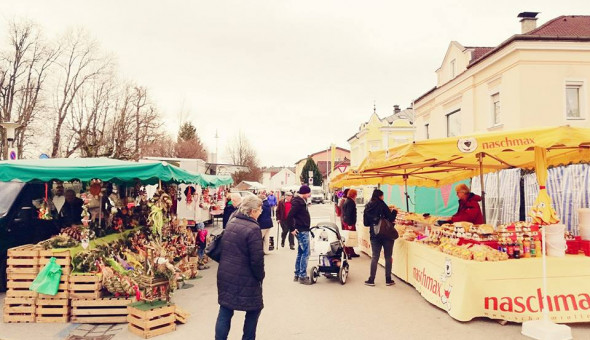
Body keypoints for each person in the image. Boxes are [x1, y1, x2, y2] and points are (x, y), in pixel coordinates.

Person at [215, 195, 265, 340]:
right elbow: (257, 260)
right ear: (252, 211)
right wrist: (260, 276)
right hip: (246, 278)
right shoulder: (253, 228)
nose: (261, 212)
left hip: (226, 274)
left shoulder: (232, 221)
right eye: (259, 209)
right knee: (254, 310)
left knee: (225, 309)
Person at [363, 189, 397, 287]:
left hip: (374, 234)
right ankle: (388, 279)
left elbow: (366, 223)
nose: (383, 197)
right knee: (388, 257)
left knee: (375, 257)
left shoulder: (368, 206)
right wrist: (394, 211)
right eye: (383, 196)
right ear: (380, 196)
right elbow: (391, 218)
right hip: (386, 234)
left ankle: (371, 279)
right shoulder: (382, 204)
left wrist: (374, 221)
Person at [287, 185, 312, 285]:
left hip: (302, 229)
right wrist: (291, 229)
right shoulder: (298, 203)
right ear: (305, 193)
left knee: (301, 252)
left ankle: (297, 274)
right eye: (309, 193)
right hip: (302, 230)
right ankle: (302, 276)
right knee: (306, 253)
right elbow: (289, 216)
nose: (310, 195)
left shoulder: (300, 202)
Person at [341, 189, 360, 258]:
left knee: (348, 236)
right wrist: (349, 224)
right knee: (350, 237)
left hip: (346, 221)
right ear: (354, 195)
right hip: (349, 222)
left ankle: (348, 251)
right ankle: (349, 252)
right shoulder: (351, 202)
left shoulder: (347, 201)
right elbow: (349, 213)